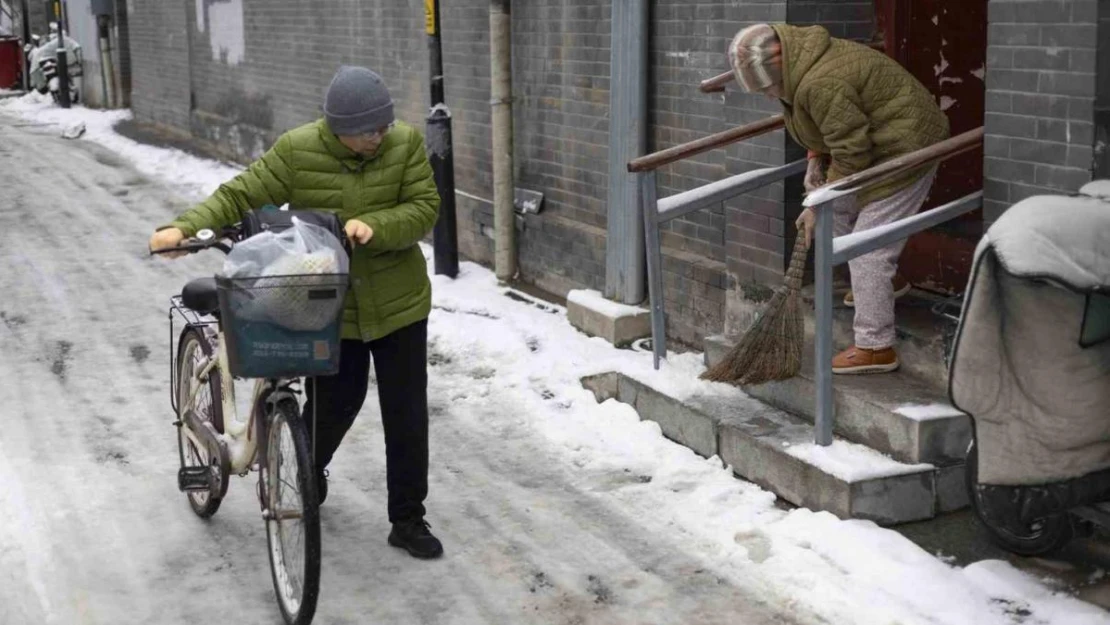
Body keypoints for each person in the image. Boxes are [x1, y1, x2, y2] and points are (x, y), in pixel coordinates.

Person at [148, 66, 444, 559]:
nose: (379, 137)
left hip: (399, 306)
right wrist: (184, 228)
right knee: (334, 405)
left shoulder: (405, 145)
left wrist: (375, 225)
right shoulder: (298, 150)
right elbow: (241, 193)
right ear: (337, 129)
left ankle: (408, 518)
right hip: (329, 306)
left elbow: (424, 207)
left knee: (407, 414)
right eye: (368, 130)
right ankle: (309, 470)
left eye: (384, 126)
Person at [727, 23, 950, 374]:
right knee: (837, 221)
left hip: (907, 150)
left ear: (782, 69)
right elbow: (826, 126)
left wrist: (817, 203)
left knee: (868, 252)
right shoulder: (803, 68)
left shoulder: (820, 82)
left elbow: (851, 149)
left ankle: (876, 347)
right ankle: (885, 285)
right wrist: (815, 163)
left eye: (769, 89)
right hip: (873, 148)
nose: (769, 96)